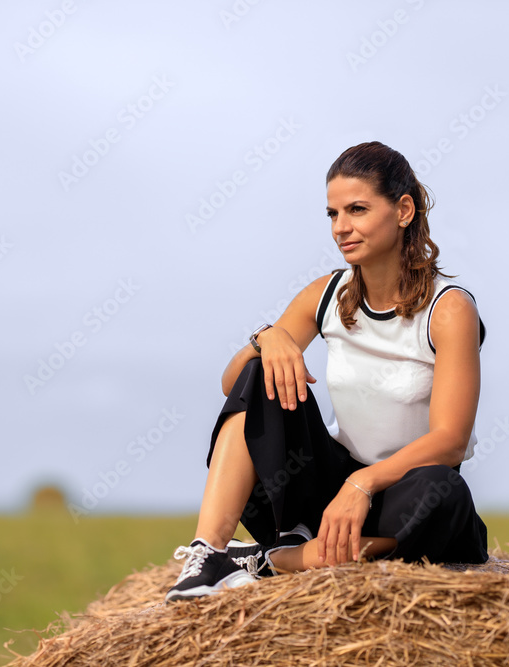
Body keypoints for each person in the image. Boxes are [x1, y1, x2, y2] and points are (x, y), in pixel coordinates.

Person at [166, 141, 489, 603]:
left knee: (443, 490)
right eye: (332, 214)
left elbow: (450, 439)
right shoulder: (327, 294)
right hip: (322, 489)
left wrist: (364, 484)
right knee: (260, 374)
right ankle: (209, 553)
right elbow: (235, 389)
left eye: (356, 209)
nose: (341, 228)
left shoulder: (449, 308)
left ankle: (270, 561)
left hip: (403, 493)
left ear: (403, 210)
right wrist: (266, 338)